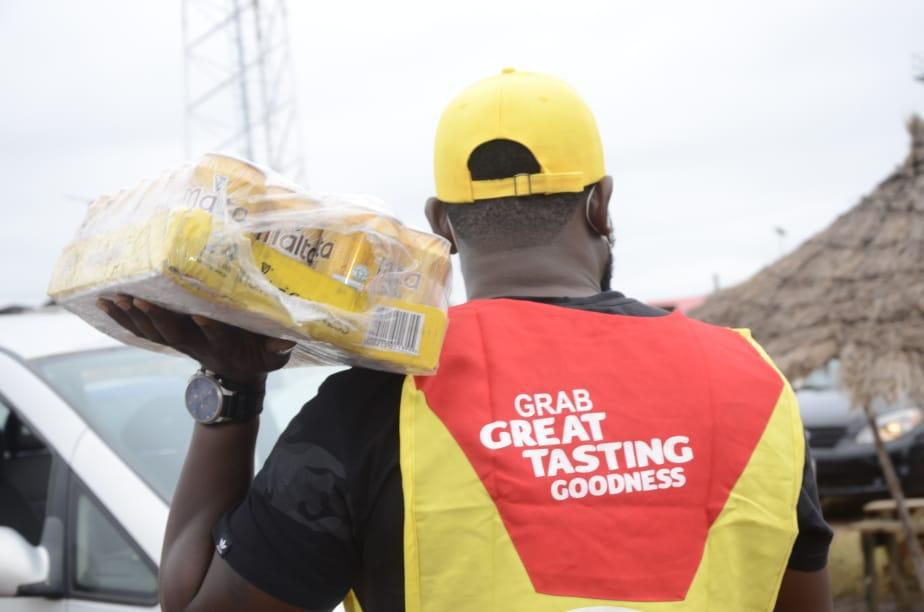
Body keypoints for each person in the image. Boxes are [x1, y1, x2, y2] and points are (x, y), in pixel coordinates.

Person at [98, 69, 833, 612]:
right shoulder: (755, 387)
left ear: (440, 223)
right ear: (600, 202)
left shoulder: (376, 402)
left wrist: (233, 390)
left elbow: (190, 598)